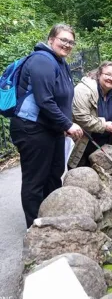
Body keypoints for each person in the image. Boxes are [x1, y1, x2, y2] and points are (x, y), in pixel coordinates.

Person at [10, 23, 83, 228]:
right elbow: (45, 100)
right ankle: (34, 228)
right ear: (51, 39)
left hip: (52, 128)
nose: (67, 45)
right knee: (36, 179)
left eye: (71, 42)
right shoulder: (42, 61)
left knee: (54, 174)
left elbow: (62, 98)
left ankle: (52, 218)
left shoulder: (61, 62)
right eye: (63, 40)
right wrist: (68, 124)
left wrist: (65, 124)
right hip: (32, 129)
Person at [68, 62, 112, 168]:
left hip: (106, 143)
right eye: (107, 74)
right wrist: (104, 125)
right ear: (99, 74)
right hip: (84, 143)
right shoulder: (83, 90)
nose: (111, 78)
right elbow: (81, 117)